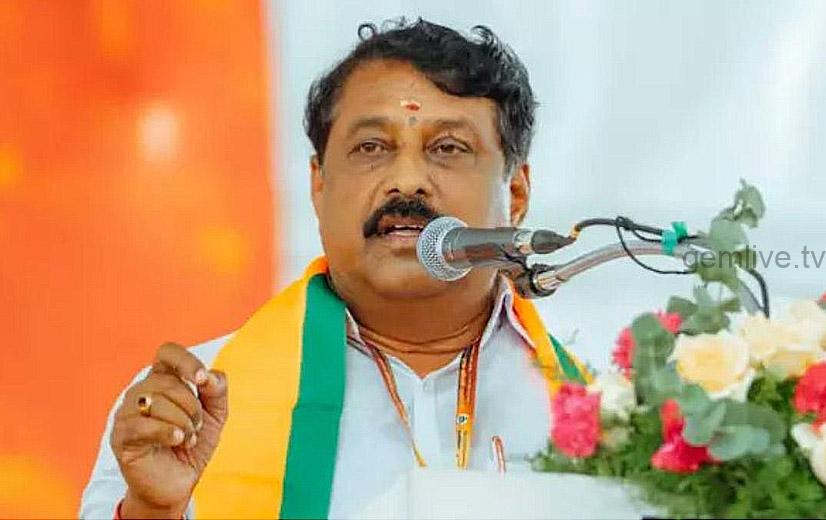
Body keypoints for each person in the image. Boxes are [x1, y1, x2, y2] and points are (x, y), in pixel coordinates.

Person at [80, 18, 590, 519]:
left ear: (515, 194)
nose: (407, 180)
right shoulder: (186, 411)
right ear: (318, 185)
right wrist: (154, 511)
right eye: (372, 148)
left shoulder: (606, 410)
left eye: (447, 148)